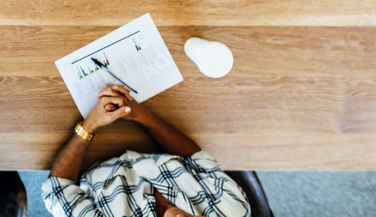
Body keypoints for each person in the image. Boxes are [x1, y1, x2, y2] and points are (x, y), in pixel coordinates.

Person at [43, 84, 249, 217]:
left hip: (87, 155)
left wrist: (89, 125)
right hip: (151, 131)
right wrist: (141, 115)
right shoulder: (232, 211)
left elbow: (58, 188)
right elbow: (195, 158)